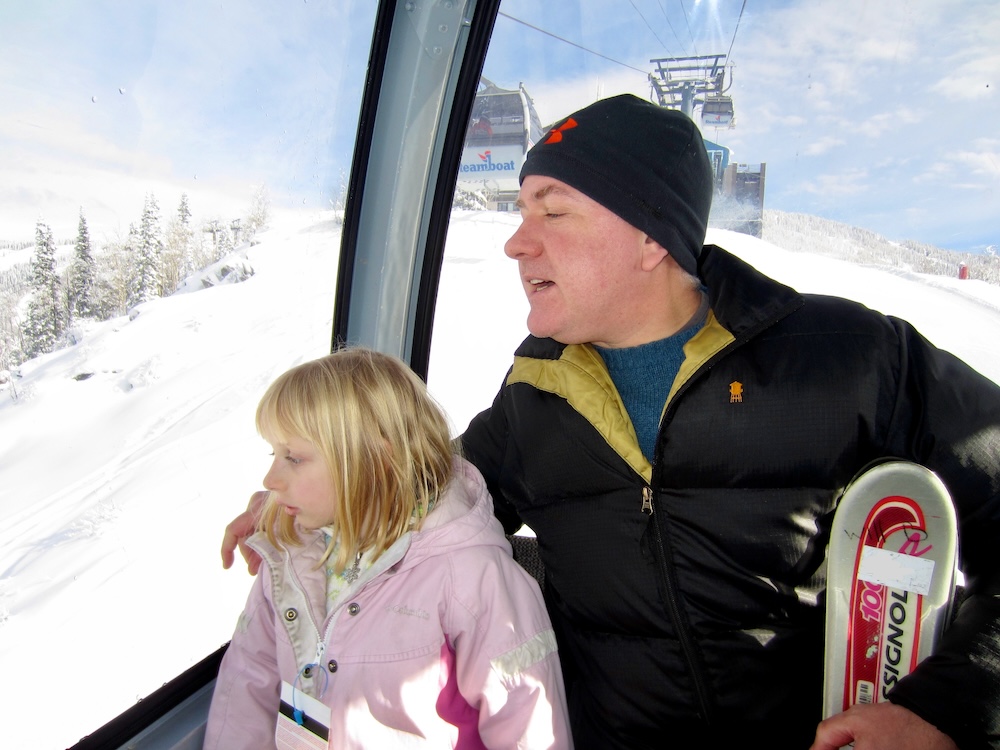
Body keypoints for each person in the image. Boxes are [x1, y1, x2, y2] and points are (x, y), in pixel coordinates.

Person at [222, 95, 1000, 749]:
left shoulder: (850, 361)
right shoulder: (538, 398)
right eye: (523, 210)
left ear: (653, 237)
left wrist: (950, 708)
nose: (516, 240)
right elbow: (418, 501)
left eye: (553, 211)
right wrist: (310, 504)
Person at [206, 348, 571, 749]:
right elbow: (244, 693)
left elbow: (528, 729)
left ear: (376, 459)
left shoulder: (473, 580)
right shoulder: (289, 559)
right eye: (273, 454)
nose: (270, 478)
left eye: (293, 458)